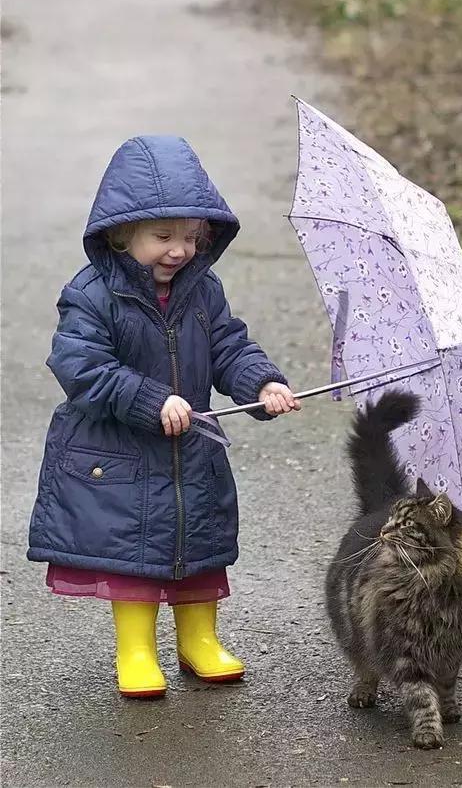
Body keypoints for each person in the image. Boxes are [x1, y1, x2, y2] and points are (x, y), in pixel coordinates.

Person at [27, 135, 301, 698]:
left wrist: (263, 382)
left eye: (191, 237)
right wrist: (149, 400)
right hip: (121, 450)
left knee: (197, 547)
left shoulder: (203, 290)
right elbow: (81, 366)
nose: (178, 250)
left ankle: (199, 640)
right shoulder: (92, 294)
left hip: (190, 445)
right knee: (134, 553)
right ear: (120, 234)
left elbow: (228, 345)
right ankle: (136, 649)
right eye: (162, 236)